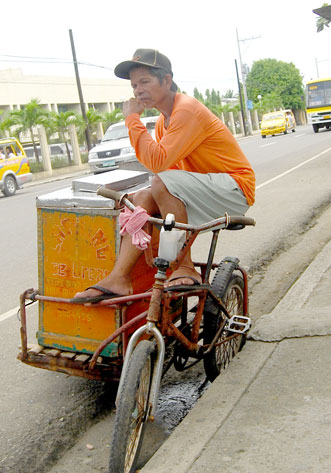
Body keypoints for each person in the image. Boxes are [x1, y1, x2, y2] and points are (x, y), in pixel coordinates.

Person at [74, 48, 255, 302]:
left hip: (234, 188)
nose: (137, 90)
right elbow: (171, 172)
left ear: (166, 80)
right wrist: (142, 197)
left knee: (159, 183)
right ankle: (119, 277)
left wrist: (132, 119)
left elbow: (158, 164)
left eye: (145, 82)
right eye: (134, 84)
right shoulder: (163, 121)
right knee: (145, 196)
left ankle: (185, 266)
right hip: (207, 189)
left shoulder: (186, 110)